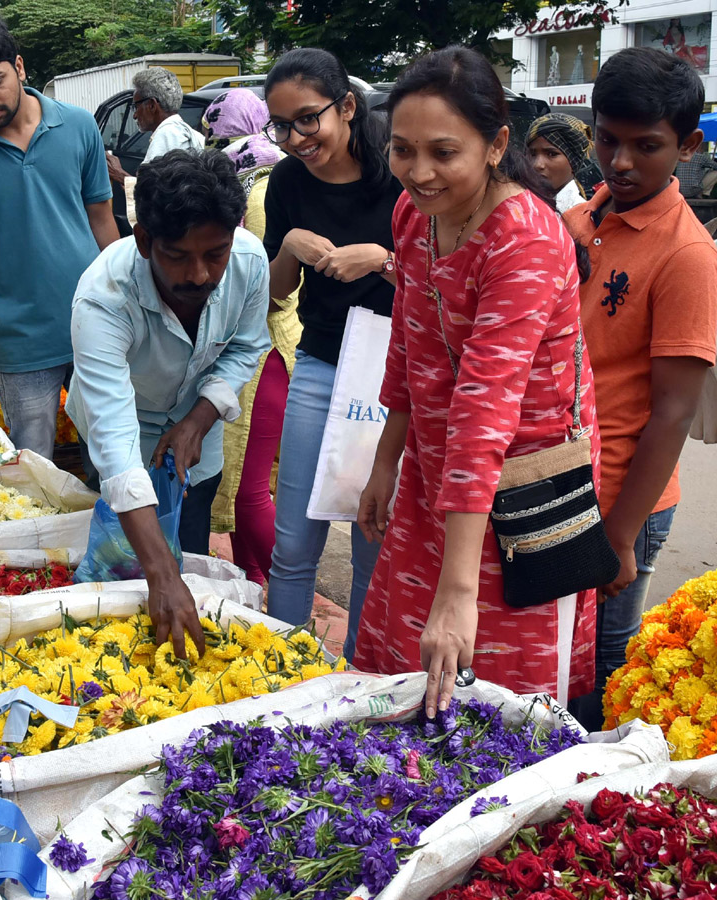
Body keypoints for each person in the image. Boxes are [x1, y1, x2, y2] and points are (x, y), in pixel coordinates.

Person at [353, 46, 600, 718]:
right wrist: (385, 463)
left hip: (525, 486)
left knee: (502, 699)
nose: (419, 173)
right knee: (411, 674)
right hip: (442, 472)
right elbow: (407, 344)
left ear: (494, 145)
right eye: (402, 150)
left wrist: (459, 589)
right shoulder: (414, 215)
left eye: (442, 152)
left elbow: (486, 407)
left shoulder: (524, 239)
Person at [562, 48, 717, 730]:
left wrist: (620, 536)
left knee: (604, 666)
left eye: (646, 146)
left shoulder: (686, 255)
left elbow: (673, 411)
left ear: (687, 145)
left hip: (625, 499)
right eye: (607, 140)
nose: (620, 163)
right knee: (561, 657)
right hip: (565, 483)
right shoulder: (587, 215)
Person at [66, 149, 270, 656]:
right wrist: (161, 574)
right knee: (123, 560)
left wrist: (199, 420)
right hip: (126, 420)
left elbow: (246, 347)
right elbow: (114, 441)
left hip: (200, 425)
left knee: (191, 538)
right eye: (177, 256)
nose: (199, 275)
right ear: (144, 241)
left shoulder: (247, 261)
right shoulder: (102, 298)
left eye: (214, 255)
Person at [260, 49, 400, 661]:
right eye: (281, 126)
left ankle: (356, 678)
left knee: (374, 538)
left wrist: (379, 258)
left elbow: (442, 284)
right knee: (294, 542)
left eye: (307, 120)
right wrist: (288, 242)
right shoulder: (287, 182)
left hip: (391, 372)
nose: (295, 139)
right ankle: (285, 673)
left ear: (346, 107)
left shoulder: (398, 173)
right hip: (319, 365)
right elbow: (275, 290)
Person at [0, 15, 119, 458]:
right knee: (32, 471)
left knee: (113, 462)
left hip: (96, 327)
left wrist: (133, 309)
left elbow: (103, 222)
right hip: (19, 345)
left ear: (19, 66)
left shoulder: (78, 126)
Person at [203, 89, 298, 586]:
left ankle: (286, 585)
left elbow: (272, 287)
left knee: (247, 488)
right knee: (245, 485)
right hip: (250, 347)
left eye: (213, 132)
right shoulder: (248, 175)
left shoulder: (261, 188)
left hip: (263, 350)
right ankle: (255, 582)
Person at [106, 67, 203, 183]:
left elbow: (155, 195)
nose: (135, 115)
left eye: (136, 107)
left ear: (152, 105)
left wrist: (119, 174)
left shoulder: (167, 135)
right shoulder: (189, 133)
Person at [525, 113, 594, 212]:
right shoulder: (520, 207)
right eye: (532, 154)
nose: (537, 165)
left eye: (551, 154)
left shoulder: (582, 218)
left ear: (573, 161)